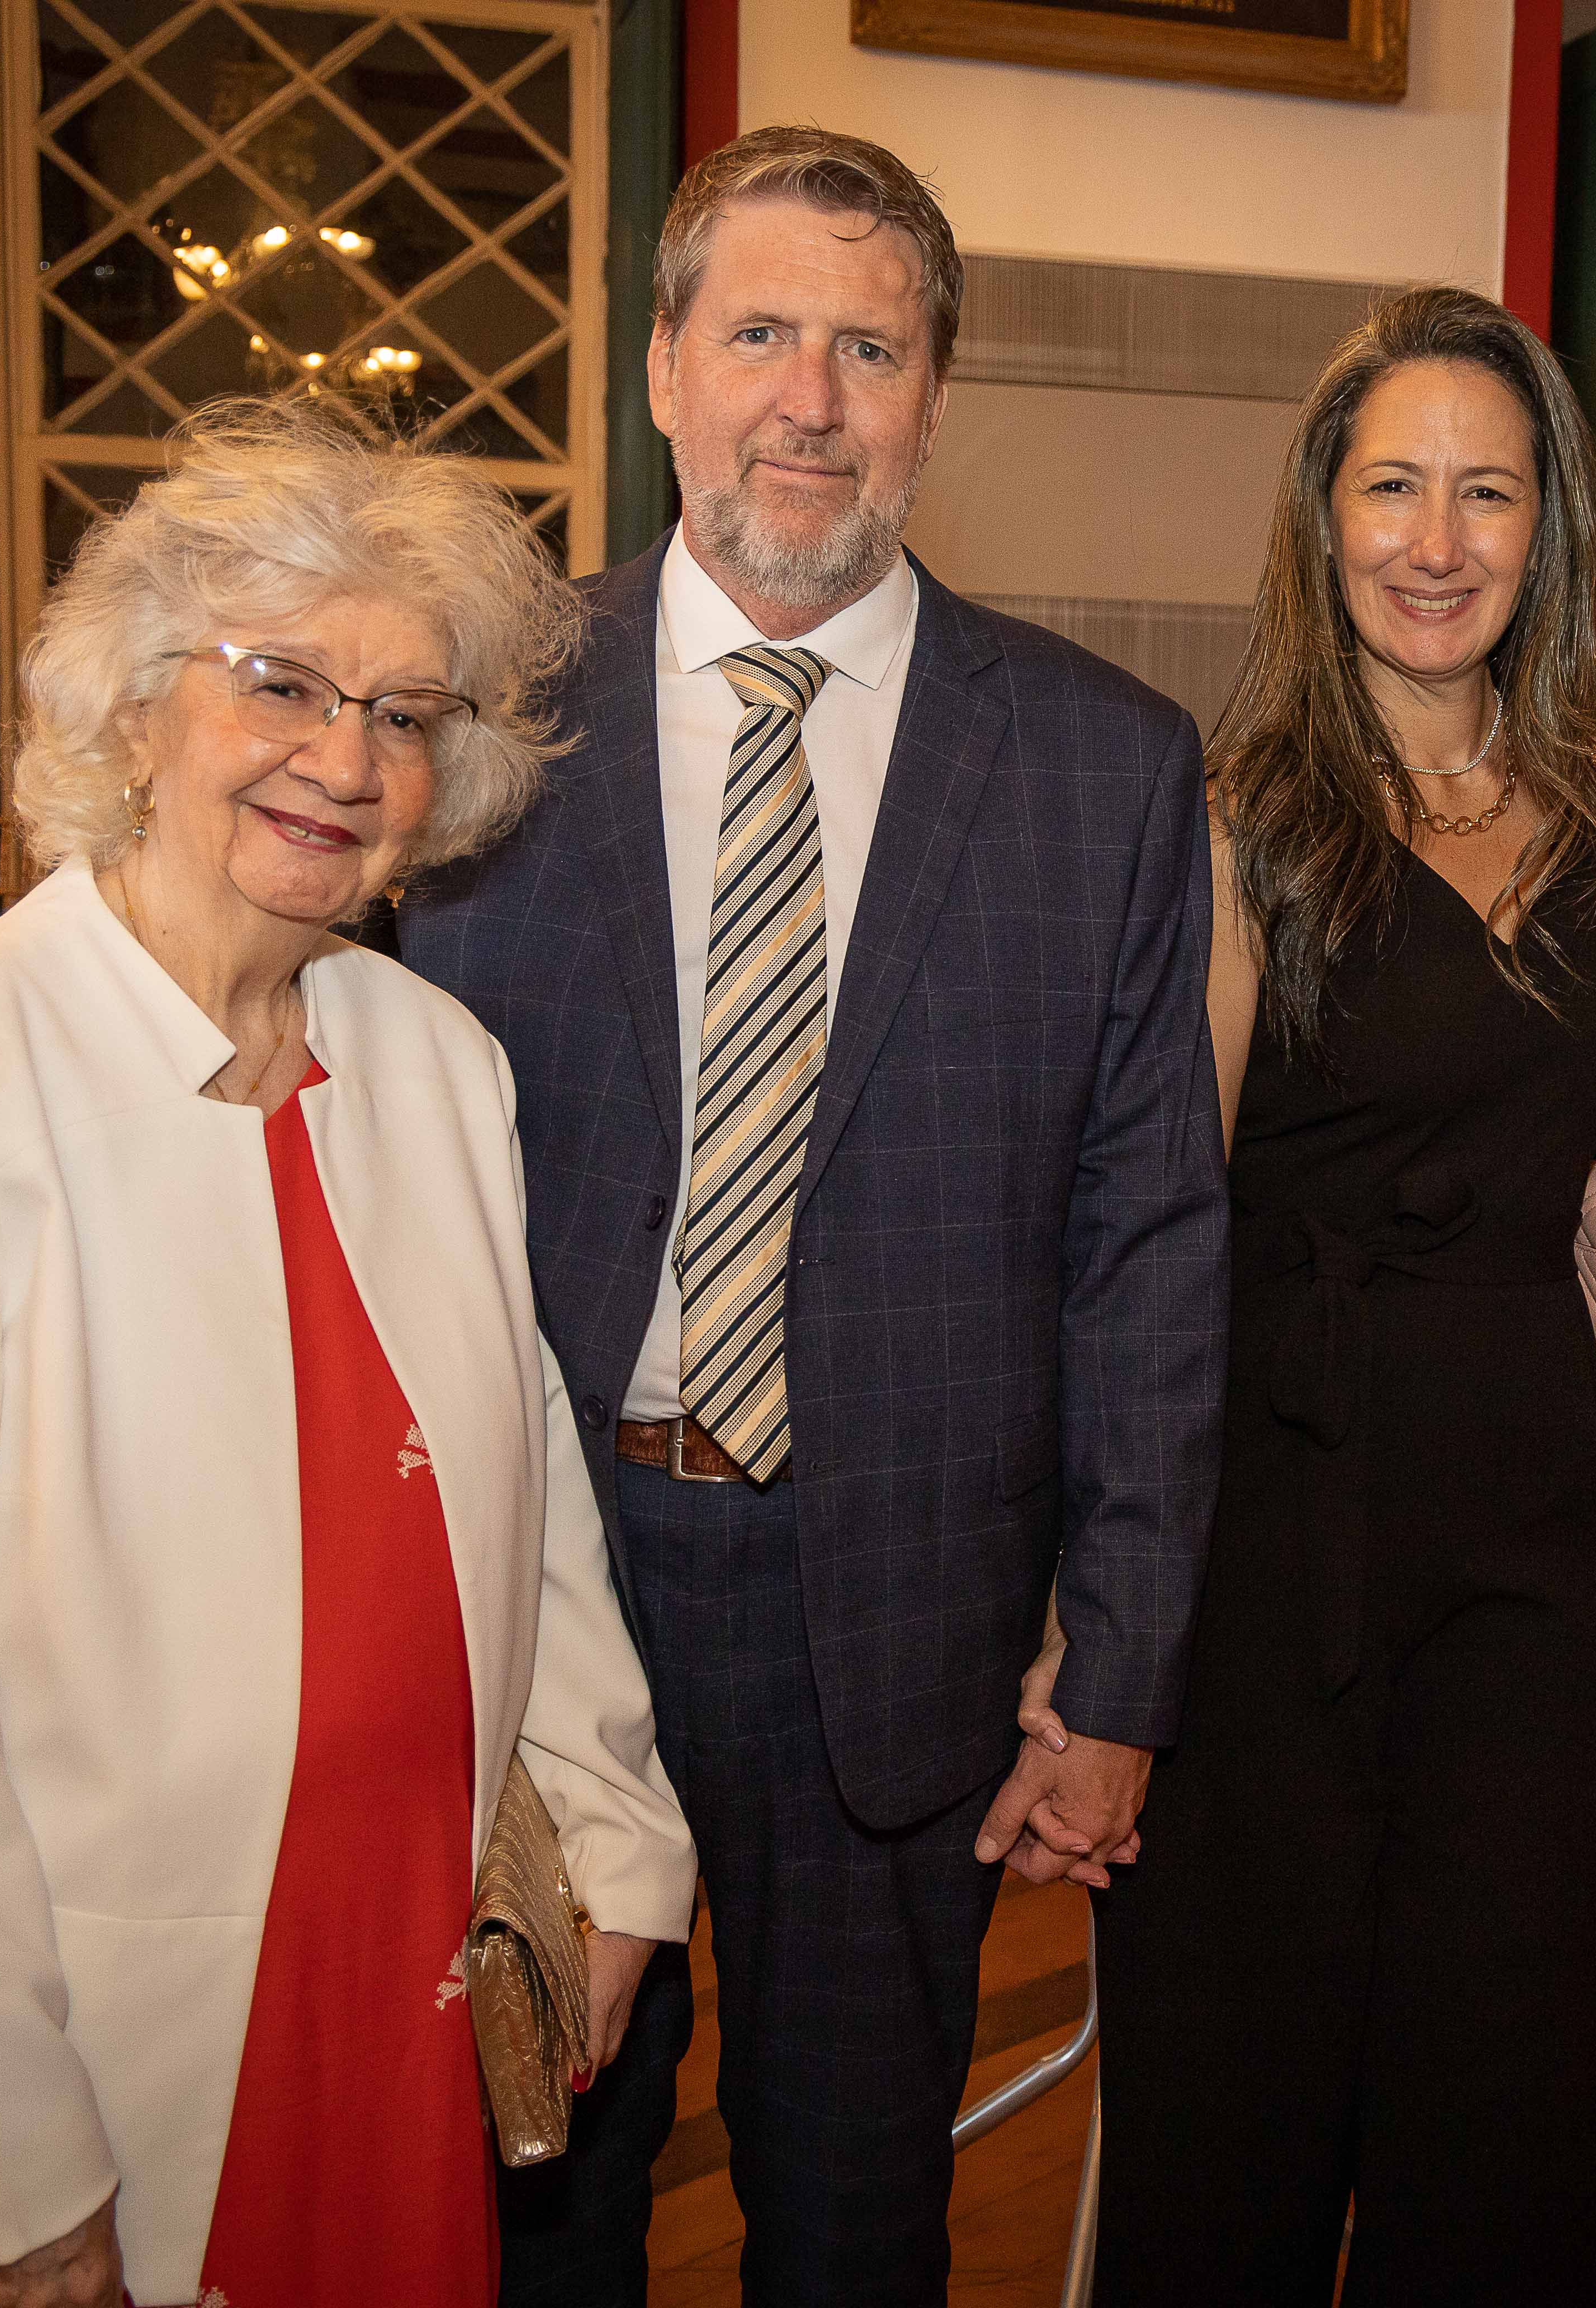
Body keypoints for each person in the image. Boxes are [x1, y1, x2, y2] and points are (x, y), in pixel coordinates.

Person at [0, 402, 697, 2308]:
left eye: (408, 716)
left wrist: (622, 1839)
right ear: (136, 710)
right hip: (58, 2048)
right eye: (285, 685)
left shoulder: (433, 1064)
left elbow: (529, 1498)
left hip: (382, 2000)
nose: (348, 758)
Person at [399, 129, 1226, 2305]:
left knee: (859, 2230)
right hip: (541, 1597)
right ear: (663, 368)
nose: (812, 396)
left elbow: (1151, 1246)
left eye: (872, 347)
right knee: (536, 2210)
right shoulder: (471, 724)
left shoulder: (1101, 765)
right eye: (760, 331)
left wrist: (1118, 1664)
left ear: (935, 399)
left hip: (905, 1643)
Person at [1021, 288, 1596, 2304]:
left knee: (1498, 2083)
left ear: (1548, 527)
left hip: (1535, 1532)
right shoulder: (1227, 814)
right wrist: (1095, 1618)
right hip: (1274, 1521)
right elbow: (1148, 1226)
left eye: (1487, 490)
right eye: (1393, 485)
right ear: (1322, 513)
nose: (1437, 541)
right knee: (1239, 2095)